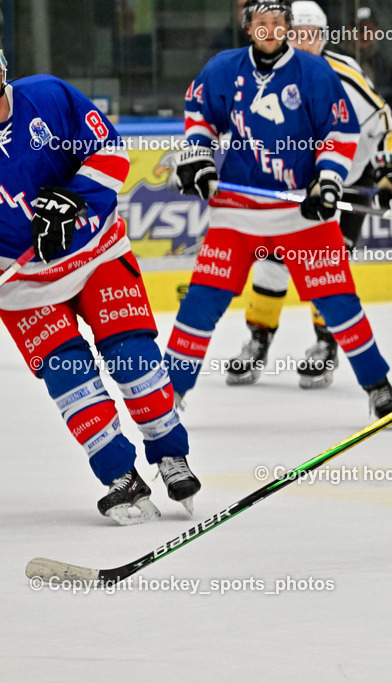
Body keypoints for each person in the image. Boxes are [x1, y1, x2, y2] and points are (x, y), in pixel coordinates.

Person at [166, 0, 392, 423]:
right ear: (248, 27)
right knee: (201, 301)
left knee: (339, 302)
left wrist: (327, 180)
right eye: (261, 22)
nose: (270, 29)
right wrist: (197, 157)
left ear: (287, 28)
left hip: (300, 214)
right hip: (237, 214)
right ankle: (169, 395)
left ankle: (378, 387)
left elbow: (339, 133)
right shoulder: (223, 68)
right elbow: (201, 117)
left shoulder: (316, 73)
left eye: (277, 22)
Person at [0, 50, 199, 525]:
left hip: (97, 253)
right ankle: (121, 476)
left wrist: (72, 199)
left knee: (133, 357)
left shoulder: (47, 97)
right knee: (69, 377)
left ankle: (170, 454)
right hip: (22, 283)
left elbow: (110, 150)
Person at [224, 0, 392, 392]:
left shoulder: (344, 73)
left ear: (324, 38)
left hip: (348, 183)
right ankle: (259, 338)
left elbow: (383, 121)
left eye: (313, 35)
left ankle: (326, 344)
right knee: (271, 261)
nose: (305, 43)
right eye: (298, 35)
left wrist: (388, 172)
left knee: (327, 266)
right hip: (297, 187)